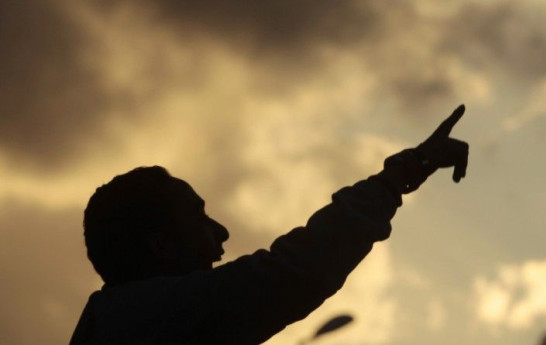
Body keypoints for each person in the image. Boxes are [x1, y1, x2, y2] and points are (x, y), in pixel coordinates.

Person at [70, 105, 469, 344]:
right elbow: (294, 272)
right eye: (198, 215)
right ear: (160, 245)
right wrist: (402, 173)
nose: (221, 232)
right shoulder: (141, 317)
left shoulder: (124, 321)